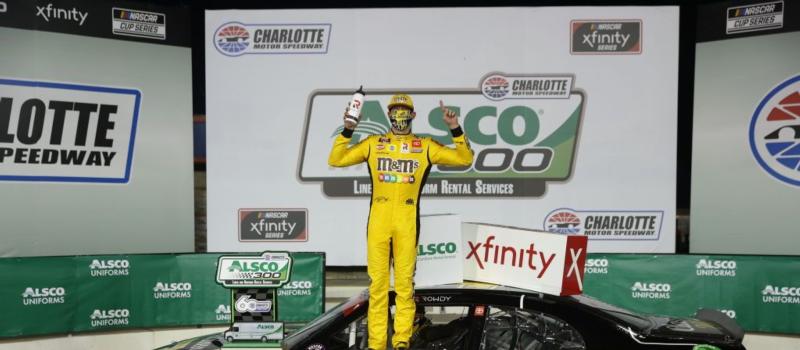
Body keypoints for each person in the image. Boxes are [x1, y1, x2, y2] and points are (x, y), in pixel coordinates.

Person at [328, 94, 473, 349]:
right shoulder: (374, 143)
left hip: (406, 221)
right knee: (378, 287)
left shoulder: (425, 145)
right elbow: (336, 159)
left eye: (404, 110)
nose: (399, 115)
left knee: (405, 285)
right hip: (379, 222)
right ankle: (376, 344)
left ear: (413, 115)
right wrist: (349, 128)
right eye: (395, 110)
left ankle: (402, 341)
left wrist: (454, 128)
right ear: (388, 114)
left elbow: (464, 158)